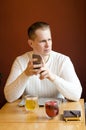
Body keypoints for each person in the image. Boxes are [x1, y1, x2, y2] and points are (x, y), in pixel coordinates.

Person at [4, 21, 82, 103]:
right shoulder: (20, 61)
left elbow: (76, 95)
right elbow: (9, 97)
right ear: (31, 43)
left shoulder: (63, 60)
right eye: (42, 41)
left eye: (49, 39)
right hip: (29, 112)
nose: (48, 45)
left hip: (55, 110)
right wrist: (25, 74)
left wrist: (52, 77)